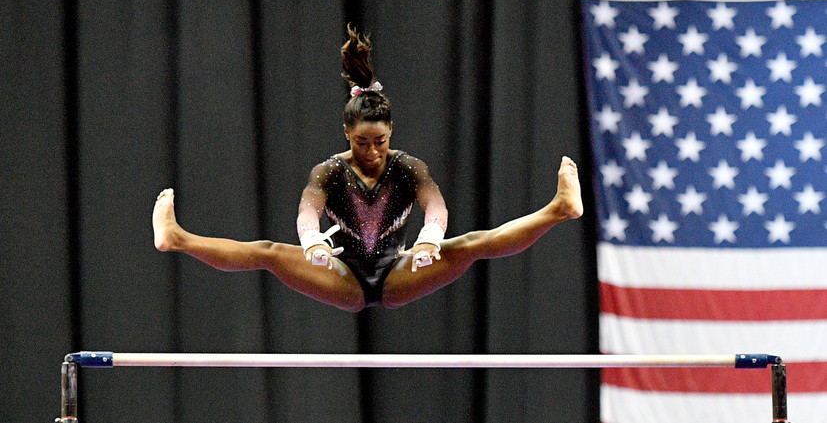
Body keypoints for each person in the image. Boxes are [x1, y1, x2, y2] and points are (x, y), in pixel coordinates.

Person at [152, 26, 583, 312]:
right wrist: (312, 243)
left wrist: (431, 239)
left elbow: (435, 206)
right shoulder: (328, 172)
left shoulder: (409, 167)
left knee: (471, 244)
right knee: (267, 252)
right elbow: (307, 211)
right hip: (342, 276)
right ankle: (178, 239)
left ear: (391, 131)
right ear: (346, 133)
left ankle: (559, 209)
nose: (373, 152)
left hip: (399, 273)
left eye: (380, 141)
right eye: (362, 143)